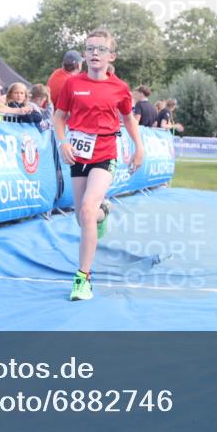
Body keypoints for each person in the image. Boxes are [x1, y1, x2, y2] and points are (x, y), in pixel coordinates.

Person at [53, 29, 143, 302]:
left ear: (111, 56)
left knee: (86, 209)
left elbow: (128, 119)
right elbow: (59, 117)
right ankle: (104, 212)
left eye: (101, 49)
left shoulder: (120, 88)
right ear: (84, 54)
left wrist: (139, 147)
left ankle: (83, 279)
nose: (95, 53)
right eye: (90, 48)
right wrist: (63, 142)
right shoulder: (72, 83)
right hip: (78, 154)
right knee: (83, 218)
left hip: (105, 153)